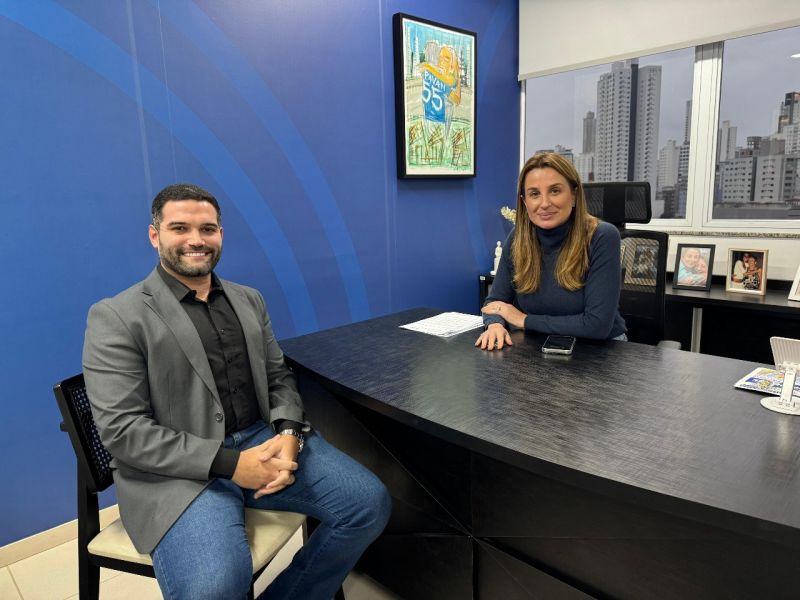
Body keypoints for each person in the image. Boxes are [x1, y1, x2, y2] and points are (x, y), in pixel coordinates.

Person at [82, 183, 391, 600]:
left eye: (207, 229)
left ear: (221, 235)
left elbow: (278, 377)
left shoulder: (249, 300)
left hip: (262, 441)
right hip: (178, 475)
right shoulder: (117, 316)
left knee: (368, 504)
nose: (196, 240)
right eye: (180, 228)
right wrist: (231, 465)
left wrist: (289, 434)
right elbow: (123, 432)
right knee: (216, 587)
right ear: (155, 235)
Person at [476, 152, 626, 350]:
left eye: (555, 191)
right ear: (524, 202)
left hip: (599, 351)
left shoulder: (602, 237)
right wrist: (495, 324)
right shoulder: (518, 238)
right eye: (534, 194)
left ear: (574, 195)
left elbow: (596, 325)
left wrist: (523, 320)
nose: (545, 203)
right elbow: (495, 302)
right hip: (538, 347)